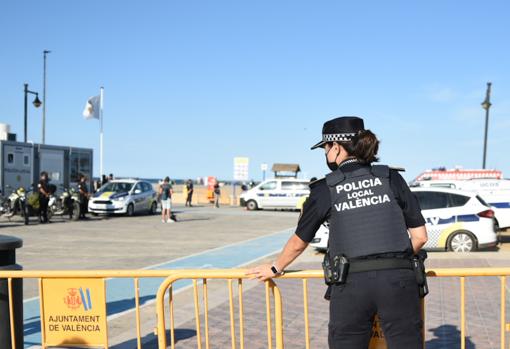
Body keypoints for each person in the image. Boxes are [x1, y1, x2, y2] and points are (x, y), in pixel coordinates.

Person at [248, 116, 428, 349]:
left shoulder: (325, 189)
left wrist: (275, 267)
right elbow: (420, 237)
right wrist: (392, 259)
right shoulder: (391, 178)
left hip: (351, 284)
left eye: (324, 149)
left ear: (336, 147)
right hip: (399, 281)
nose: (325, 155)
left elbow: (298, 243)